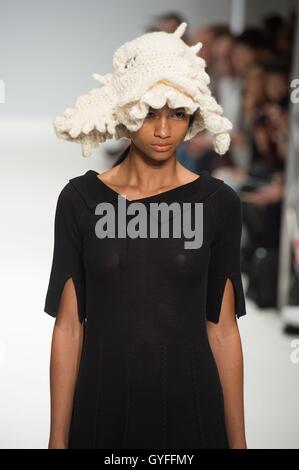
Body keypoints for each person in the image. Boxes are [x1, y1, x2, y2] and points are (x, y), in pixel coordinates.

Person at [44, 22, 247, 449]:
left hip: (193, 410)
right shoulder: (81, 201)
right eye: (150, 112)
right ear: (127, 110)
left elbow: (223, 328)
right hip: (102, 408)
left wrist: (239, 443)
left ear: (192, 114)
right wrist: (57, 440)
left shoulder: (217, 204)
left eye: (176, 113)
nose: (162, 130)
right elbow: (68, 329)